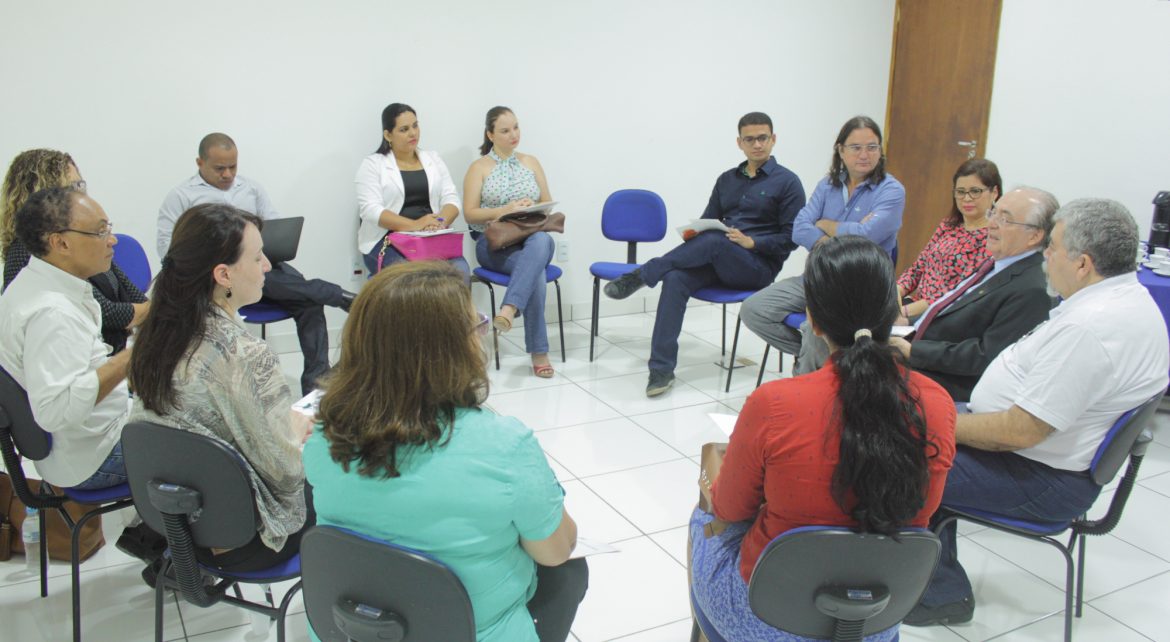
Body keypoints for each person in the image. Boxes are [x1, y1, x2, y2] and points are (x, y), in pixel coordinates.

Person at [906, 198, 1170, 627]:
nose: (1044, 254)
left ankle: (939, 594)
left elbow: (1017, 432)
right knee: (900, 411)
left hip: (1041, 477)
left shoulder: (1090, 328)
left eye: (1053, 247)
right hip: (1040, 457)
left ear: (1082, 263)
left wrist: (934, 424)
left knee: (894, 453)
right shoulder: (1128, 298)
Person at [689, 235, 956, 642]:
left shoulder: (775, 402)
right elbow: (923, 510)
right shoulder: (936, 403)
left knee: (703, 516)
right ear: (894, 314)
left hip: (770, 616)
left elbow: (731, 508)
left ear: (812, 319)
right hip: (875, 620)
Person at [304, 262, 587, 642]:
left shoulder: (324, 434)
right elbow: (556, 552)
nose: (481, 335)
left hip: (350, 629)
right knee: (570, 571)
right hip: (474, 632)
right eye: (477, 325)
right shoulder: (502, 444)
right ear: (450, 351)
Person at [130, 203, 312, 573]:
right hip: (249, 536)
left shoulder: (153, 336)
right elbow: (286, 472)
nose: (267, 267)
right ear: (223, 275)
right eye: (259, 257)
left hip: (178, 525)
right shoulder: (247, 355)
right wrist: (294, 431)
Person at [602, 112, 806, 397]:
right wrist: (693, 233)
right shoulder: (726, 180)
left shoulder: (788, 183)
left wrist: (753, 243)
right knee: (675, 277)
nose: (757, 144)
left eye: (763, 138)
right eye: (750, 139)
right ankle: (661, 369)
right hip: (721, 257)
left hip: (757, 268)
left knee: (714, 241)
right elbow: (709, 219)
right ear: (739, 143)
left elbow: (792, 238)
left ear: (773, 139)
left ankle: (642, 274)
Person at [157, 133, 354, 395]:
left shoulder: (251, 188)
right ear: (199, 162)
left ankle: (315, 386)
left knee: (307, 303)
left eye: (233, 166)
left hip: (263, 263)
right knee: (303, 292)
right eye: (220, 168)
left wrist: (264, 252)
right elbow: (167, 250)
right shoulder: (181, 197)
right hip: (221, 274)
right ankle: (338, 295)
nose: (228, 174)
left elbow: (272, 224)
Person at [740, 116, 905, 375]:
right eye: (856, 147)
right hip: (819, 277)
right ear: (840, 150)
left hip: (863, 287)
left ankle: (813, 374)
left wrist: (826, 223)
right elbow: (800, 227)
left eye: (872, 147)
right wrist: (833, 237)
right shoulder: (828, 184)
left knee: (818, 331)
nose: (865, 154)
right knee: (754, 309)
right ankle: (822, 360)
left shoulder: (891, 191)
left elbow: (867, 237)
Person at [0, 187, 131, 490]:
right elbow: (55, 411)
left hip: (92, 437)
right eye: (100, 232)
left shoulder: (36, 281)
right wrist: (129, 359)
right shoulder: (53, 314)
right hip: (94, 455)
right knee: (219, 444)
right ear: (60, 242)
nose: (111, 240)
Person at [888, 187, 1057, 402]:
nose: (992, 223)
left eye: (1005, 219)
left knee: (858, 379)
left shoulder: (1032, 289)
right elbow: (951, 309)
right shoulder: (999, 263)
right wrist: (907, 321)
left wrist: (913, 351)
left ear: (1035, 236)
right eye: (993, 213)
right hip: (922, 345)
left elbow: (987, 355)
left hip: (948, 381)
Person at [2, 149, 147, 354]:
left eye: (82, 184)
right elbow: (105, 312)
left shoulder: (84, 242)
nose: (82, 193)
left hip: (109, 351)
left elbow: (128, 291)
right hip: (90, 355)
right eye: (74, 186)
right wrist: (157, 309)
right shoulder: (31, 252)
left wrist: (156, 309)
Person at [463, 106, 557, 377]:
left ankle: (509, 307)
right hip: (493, 243)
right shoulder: (479, 167)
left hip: (532, 239)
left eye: (516, 127)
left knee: (540, 242)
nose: (513, 134)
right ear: (490, 135)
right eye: (505, 130)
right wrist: (503, 210)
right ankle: (539, 353)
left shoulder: (531, 162)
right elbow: (470, 213)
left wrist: (531, 206)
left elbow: (547, 203)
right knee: (535, 273)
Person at [355, 103, 469, 277]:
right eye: (404, 129)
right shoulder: (373, 164)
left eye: (415, 125)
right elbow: (371, 210)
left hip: (429, 238)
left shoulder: (433, 159)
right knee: (418, 276)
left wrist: (439, 221)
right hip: (387, 240)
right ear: (388, 134)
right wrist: (415, 225)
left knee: (460, 271)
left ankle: (459, 306)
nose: (413, 133)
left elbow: (451, 198)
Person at [896, 158, 999, 319]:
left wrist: (903, 312)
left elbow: (956, 293)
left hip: (940, 315)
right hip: (912, 305)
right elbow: (918, 267)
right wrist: (896, 293)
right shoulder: (949, 225)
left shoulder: (992, 237)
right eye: (961, 192)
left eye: (975, 191)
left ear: (994, 193)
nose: (966, 198)